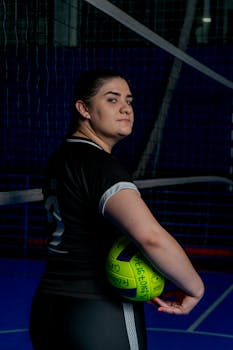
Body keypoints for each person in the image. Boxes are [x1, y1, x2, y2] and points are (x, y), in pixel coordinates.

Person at [29, 69, 204, 350]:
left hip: (49, 309)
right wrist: (195, 287)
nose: (126, 108)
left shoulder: (61, 158)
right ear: (83, 108)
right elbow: (151, 237)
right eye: (112, 100)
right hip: (100, 315)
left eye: (129, 100)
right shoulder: (102, 167)